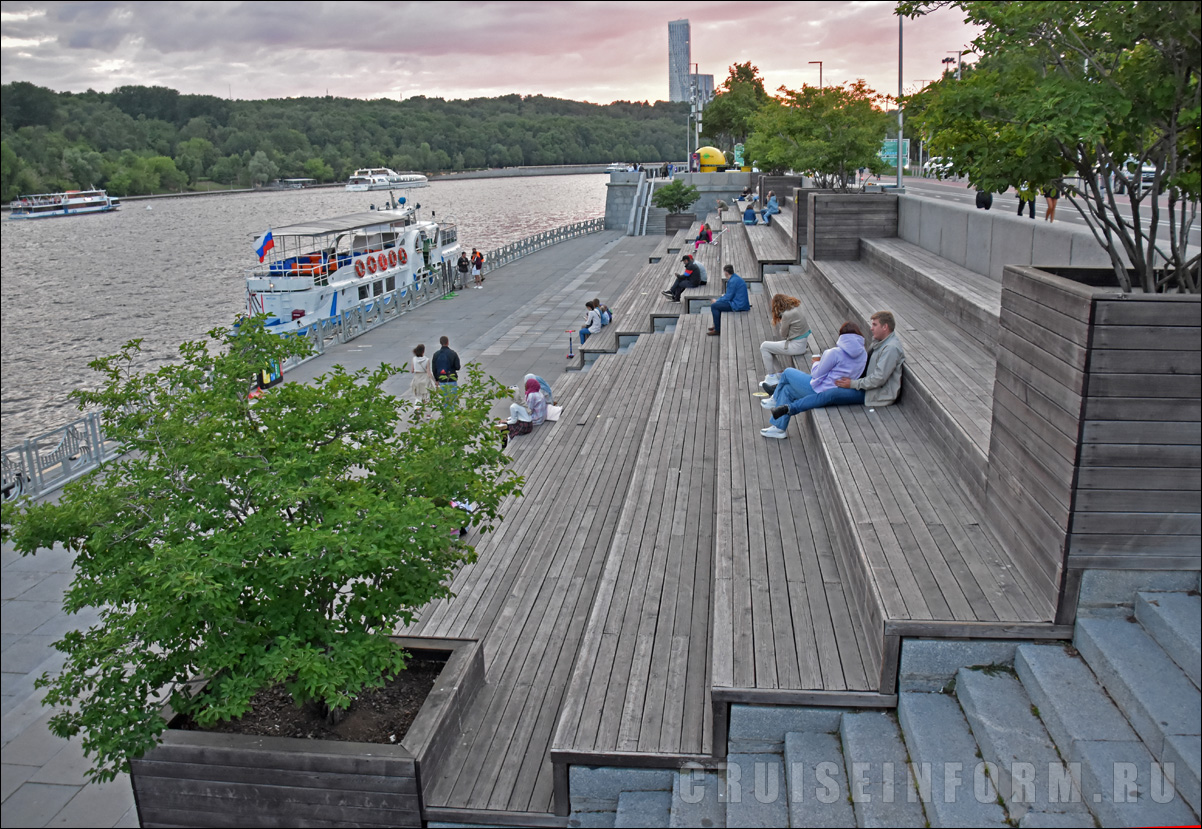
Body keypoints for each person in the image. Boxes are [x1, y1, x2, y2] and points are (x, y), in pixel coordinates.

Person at [762, 312, 905, 438]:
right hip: (864, 386)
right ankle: (779, 427)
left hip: (874, 394)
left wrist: (852, 383)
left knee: (828, 394)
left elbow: (879, 379)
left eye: (875, 324)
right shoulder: (877, 344)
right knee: (788, 390)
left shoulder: (890, 348)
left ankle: (785, 405)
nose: (871, 328)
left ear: (885, 327)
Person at [759, 321, 869, 439]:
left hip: (819, 390)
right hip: (838, 390)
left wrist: (816, 363)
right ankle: (778, 429)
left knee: (787, 372)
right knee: (787, 389)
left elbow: (816, 374)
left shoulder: (834, 353)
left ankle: (775, 398)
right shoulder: (863, 354)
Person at [759, 294, 811, 384]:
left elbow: (783, 334)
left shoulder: (787, 315)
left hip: (796, 346)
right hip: (802, 343)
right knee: (769, 348)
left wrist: (782, 321)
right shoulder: (797, 307)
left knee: (764, 346)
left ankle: (771, 377)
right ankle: (779, 374)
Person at [708, 264, 749, 336]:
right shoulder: (736, 278)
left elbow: (728, 297)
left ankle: (717, 329)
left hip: (738, 305)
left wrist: (717, 301)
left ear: (726, 272)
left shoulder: (732, 281)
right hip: (741, 302)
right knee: (719, 304)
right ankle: (716, 324)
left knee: (714, 306)